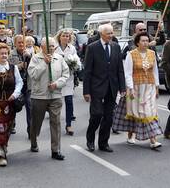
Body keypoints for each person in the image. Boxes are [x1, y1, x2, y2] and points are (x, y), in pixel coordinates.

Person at [112, 32, 162, 148]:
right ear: (137, 43)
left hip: (149, 87)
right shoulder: (131, 54)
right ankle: (131, 135)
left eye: (147, 40)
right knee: (134, 112)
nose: (145, 43)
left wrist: (157, 87)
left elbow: (155, 71)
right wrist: (130, 87)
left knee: (148, 112)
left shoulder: (152, 54)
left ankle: (153, 140)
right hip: (135, 87)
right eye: (143, 41)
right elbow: (128, 73)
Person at [83, 24, 126, 153]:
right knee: (96, 114)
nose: (111, 36)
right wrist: (86, 91)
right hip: (96, 87)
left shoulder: (116, 47)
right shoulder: (92, 48)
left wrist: (122, 87)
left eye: (112, 33)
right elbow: (88, 71)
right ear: (102, 34)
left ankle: (103, 143)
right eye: (109, 33)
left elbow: (120, 69)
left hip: (112, 88)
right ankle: (90, 139)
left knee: (108, 117)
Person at [28, 37, 70, 160]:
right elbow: (33, 75)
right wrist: (44, 63)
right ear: (42, 47)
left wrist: (57, 84)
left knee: (56, 123)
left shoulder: (59, 58)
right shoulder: (36, 58)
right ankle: (34, 141)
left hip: (55, 95)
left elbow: (65, 74)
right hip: (39, 96)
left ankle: (55, 150)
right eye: (48, 46)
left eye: (53, 46)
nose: (51, 48)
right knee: (36, 122)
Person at [54, 29, 81, 136]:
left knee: (69, 101)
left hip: (68, 78)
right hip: (57, 78)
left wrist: (75, 65)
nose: (66, 37)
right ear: (60, 37)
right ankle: (55, 123)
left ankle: (68, 124)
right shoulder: (55, 47)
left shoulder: (72, 48)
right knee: (56, 103)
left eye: (68, 36)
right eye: (64, 35)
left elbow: (76, 60)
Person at [9, 35, 32, 137]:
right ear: (15, 43)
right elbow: (8, 69)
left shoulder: (29, 54)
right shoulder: (10, 54)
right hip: (15, 85)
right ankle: (11, 124)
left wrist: (29, 58)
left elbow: (35, 67)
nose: (22, 45)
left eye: (23, 43)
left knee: (30, 107)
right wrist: (19, 66)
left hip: (27, 84)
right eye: (19, 43)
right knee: (14, 106)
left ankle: (31, 130)